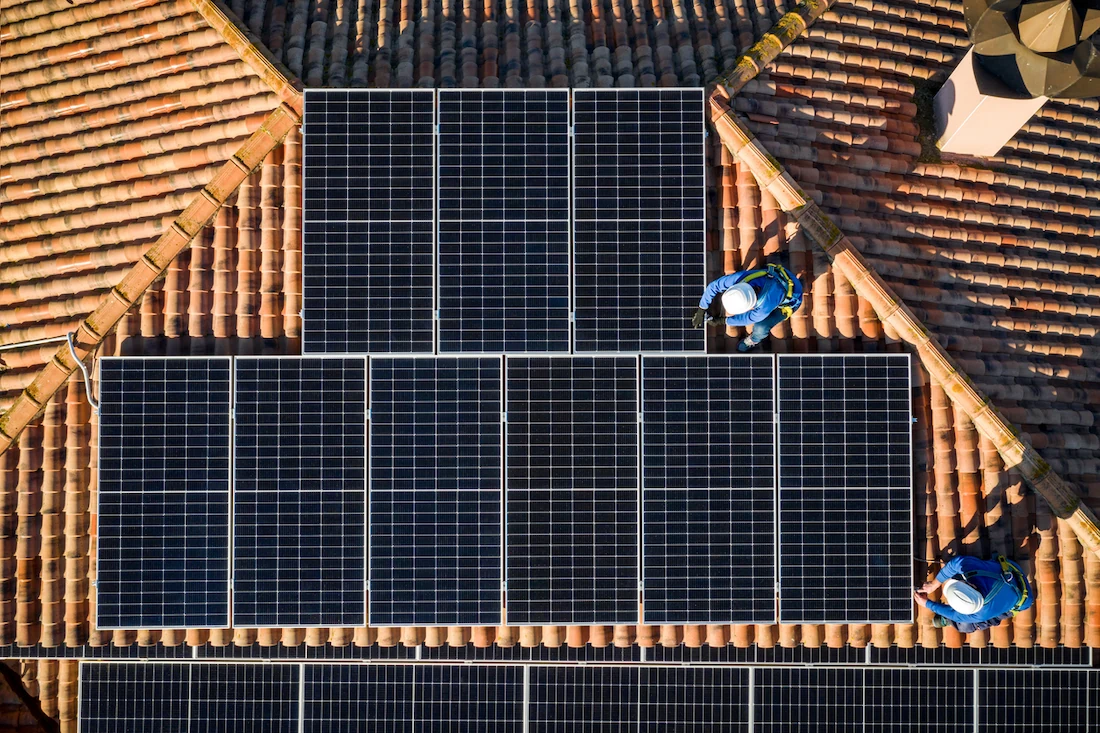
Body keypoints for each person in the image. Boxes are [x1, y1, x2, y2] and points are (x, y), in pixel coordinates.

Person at [690, 263, 804, 351]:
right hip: (780, 275)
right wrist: (701, 309)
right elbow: (713, 286)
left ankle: (752, 341)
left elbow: (747, 318)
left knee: (761, 327)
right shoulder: (740, 278)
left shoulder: (764, 307)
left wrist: (723, 321)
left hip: (793, 297)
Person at [913, 554, 1033, 633]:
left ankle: (948, 621)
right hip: (1014, 573)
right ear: (971, 585)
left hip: (1021, 594)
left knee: (965, 626)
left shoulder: (981, 615)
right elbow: (955, 563)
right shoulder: (973, 570)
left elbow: (954, 615)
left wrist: (929, 603)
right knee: (956, 574)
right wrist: (934, 586)